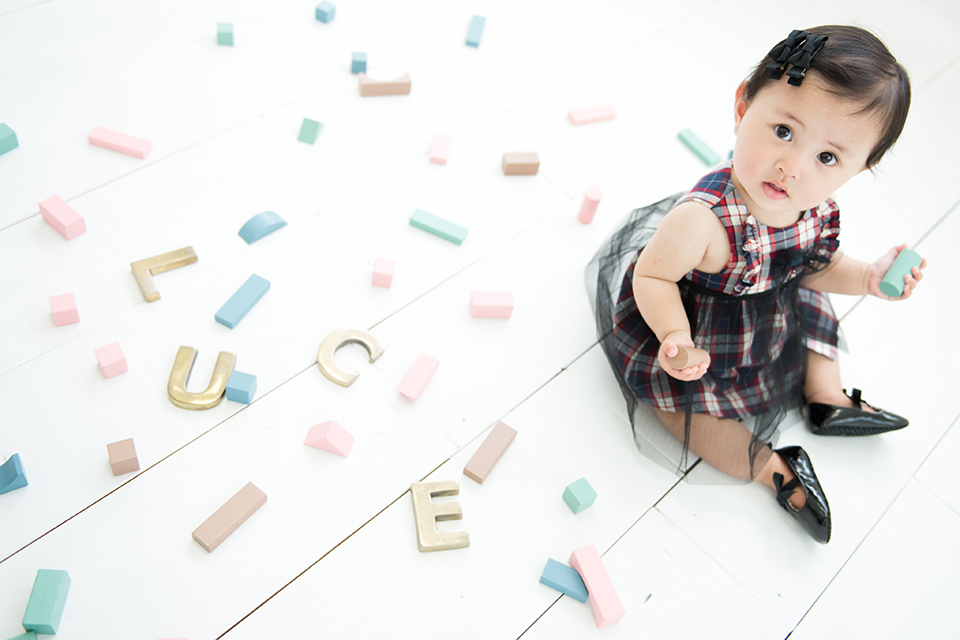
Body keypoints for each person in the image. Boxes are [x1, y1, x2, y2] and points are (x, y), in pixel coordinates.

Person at [585, 26, 925, 544]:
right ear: (743, 106)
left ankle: (826, 397)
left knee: (814, 303)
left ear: (861, 168)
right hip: (703, 325)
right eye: (784, 131)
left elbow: (818, 267)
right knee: (677, 408)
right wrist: (675, 335)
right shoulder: (700, 221)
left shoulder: (815, 209)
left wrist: (866, 277)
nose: (791, 167)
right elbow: (654, 275)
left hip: (772, 305)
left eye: (827, 158)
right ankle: (774, 467)